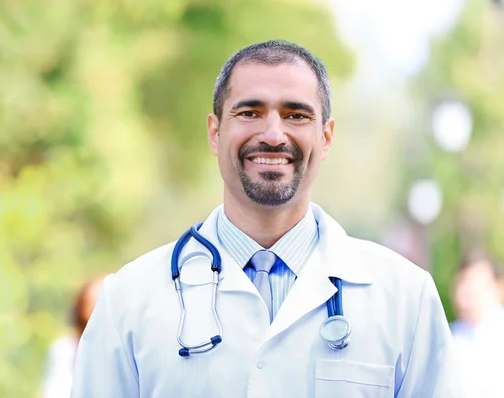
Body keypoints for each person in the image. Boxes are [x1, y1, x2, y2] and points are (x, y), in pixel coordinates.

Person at [71, 40, 460, 397]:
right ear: (214, 132)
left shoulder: (406, 298)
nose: (273, 134)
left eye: (295, 115)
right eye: (249, 112)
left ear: (325, 139)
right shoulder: (129, 300)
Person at [450, 251, 504, 398]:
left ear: (498, 287)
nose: (463, 291)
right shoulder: (449, 336)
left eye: (472, 283)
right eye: (460, 283)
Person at [42, 277, 103, 398]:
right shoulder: (65, 348)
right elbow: (56, 389)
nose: (95, 309)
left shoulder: (128, 348)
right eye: (90, 302)